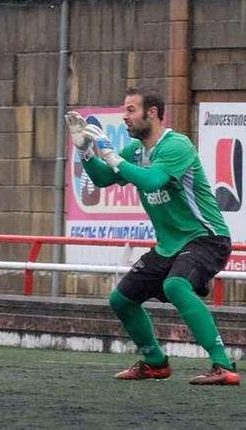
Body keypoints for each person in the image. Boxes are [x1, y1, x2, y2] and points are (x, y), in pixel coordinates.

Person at [67, 86, 239, 385]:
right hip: (169, 245)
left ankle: (223, 365)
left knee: (176, 285)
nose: (124, 116)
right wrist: (85, 151)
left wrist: (108, 153)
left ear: (153, 113)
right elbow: (103, 178)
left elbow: (152, 181)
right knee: (121, 300)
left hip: (206, 237)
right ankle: (155, 362)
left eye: (131, 109)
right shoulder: (135, 150)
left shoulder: (177, 145)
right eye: (124, 109)